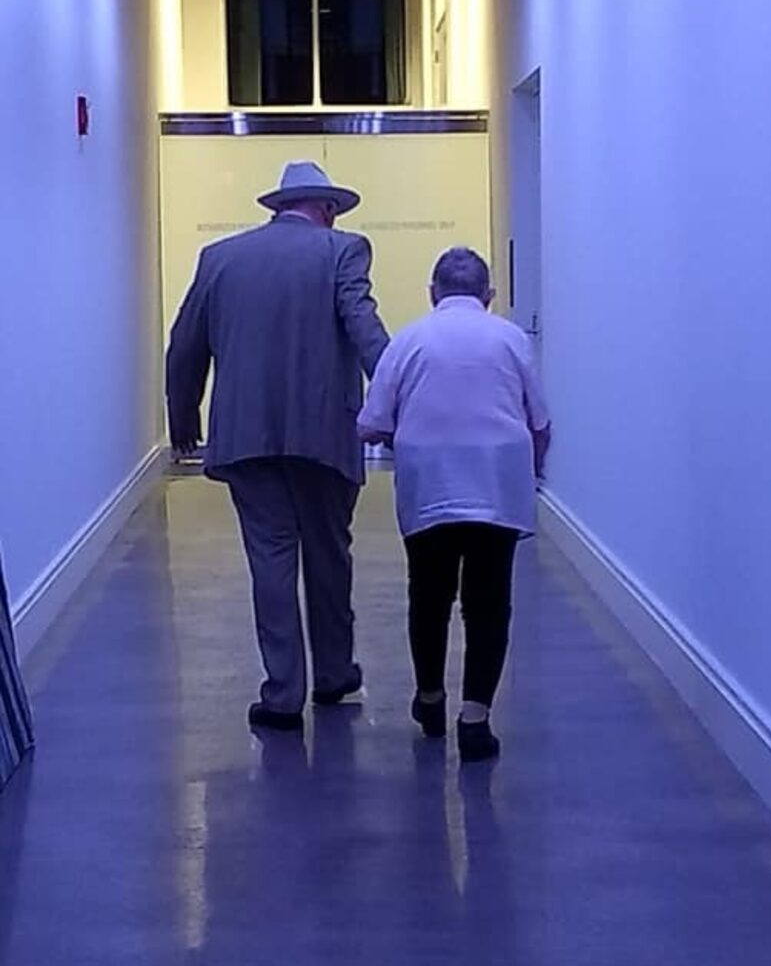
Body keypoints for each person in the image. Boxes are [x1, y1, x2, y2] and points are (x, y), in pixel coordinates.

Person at [166, 161, 389, 733]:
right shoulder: (343, 251)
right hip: (325, 435)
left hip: (245, 436)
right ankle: (335, 675)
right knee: (329, 556)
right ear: (328, 209)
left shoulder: (220, 258)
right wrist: (397, 398)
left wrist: (183, 417)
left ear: (277, 207)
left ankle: (283, 694)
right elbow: (363, 326)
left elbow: (184, 343)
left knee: (270, 559)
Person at [357, 247, 550, 762]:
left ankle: (430, 698)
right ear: (488, 296)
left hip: (430, 486)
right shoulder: (511, 339)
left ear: (432, 293)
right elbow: (539, 422)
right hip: (497, 485)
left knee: (429, 596)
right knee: (489, 603)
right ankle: (476, 719)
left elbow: (371, 422)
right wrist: (534, 470)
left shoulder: (408, 340)